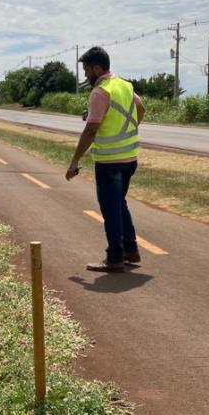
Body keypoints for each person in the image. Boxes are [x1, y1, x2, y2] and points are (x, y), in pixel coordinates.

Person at [65, 46, 145, 272]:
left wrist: (74, 162)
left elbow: (90, 131)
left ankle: (115, 258)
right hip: (129, 158)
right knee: (119, 203)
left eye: (86, 70)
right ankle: (131, 250)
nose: (85, 75)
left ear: (97, 68)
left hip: (109, 163)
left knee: (110, 209)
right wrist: (128, 130)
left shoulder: (100, 92)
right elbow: (141, 108)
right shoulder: (124, 85)